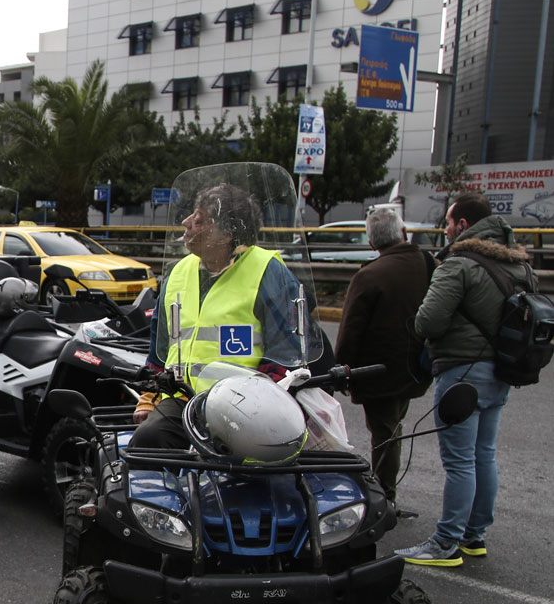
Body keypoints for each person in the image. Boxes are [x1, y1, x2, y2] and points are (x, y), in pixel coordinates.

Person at [394, 192, 539, 567]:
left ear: (462, 226)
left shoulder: (458, 264)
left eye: (447, 223)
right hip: (502, 370)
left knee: (459, 461)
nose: (444, 230)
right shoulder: (519, 265)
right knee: (483, 454)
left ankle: (445, 543)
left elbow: (428, 321)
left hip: (462, 372)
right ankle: (474, 536)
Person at [131, 183, 308, 449]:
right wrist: (148, 397)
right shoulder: (177, 273)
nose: (186, 223)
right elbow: (161, 348)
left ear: (227, 233)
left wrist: (259, 404)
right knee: (146, 445)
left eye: (199, 219)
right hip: (186, 402)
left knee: (265, 480)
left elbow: (286, 356)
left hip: (248, 410)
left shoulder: (268, 272)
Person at [335, 206, 434, 517]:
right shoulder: (427, 263)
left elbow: (351, 331)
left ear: (371, 242)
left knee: (385, 432)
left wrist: (341, 370)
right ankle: (385, 493)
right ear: (402, 233)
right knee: (392, 427)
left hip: (378, 372)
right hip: (415, 367)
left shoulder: (369, 276)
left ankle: (383, 498)